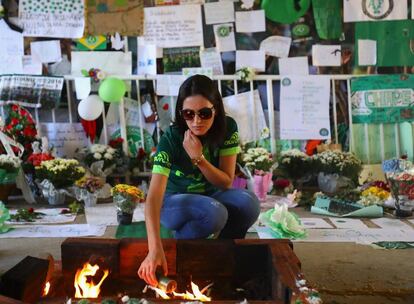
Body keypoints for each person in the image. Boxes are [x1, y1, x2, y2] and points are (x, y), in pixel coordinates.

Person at [137, 75, 260, 286]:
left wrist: (199, 159)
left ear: (216, 110)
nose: (196, 121)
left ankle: (223, 258)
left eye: (204, 113)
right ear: (181, 113)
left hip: (211, 193)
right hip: (174, 202)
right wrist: (154, 248)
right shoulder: (171, 139)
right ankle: (185, 256)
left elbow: (226, 182)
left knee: (248, 203)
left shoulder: (227, 128)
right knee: (215, 213)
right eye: (188, 114)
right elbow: (154, 197)